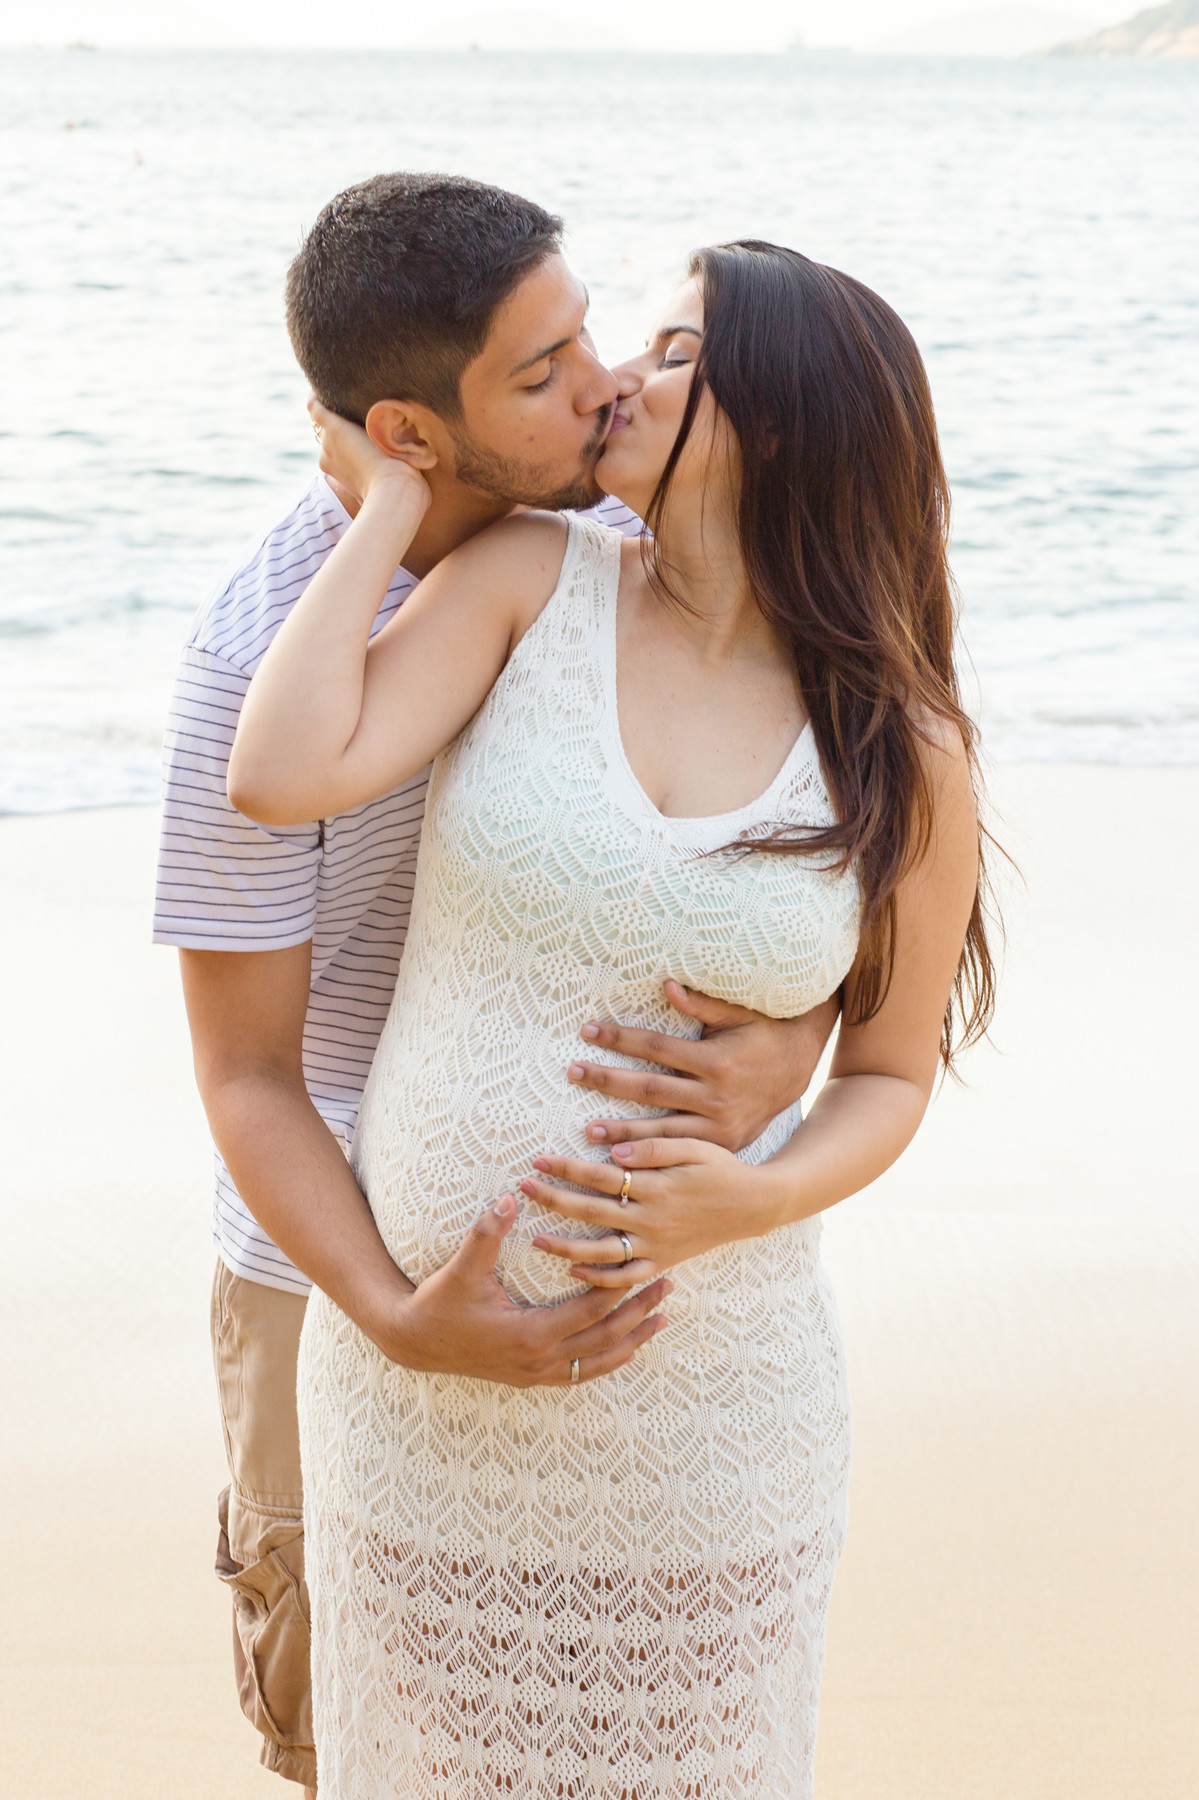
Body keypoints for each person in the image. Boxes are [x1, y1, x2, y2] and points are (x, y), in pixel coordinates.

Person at [228, 237, 996, 1798]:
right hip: (419, 1421)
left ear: (776, 415)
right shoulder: (529, 579)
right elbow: (284, 768)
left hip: (709, 1420)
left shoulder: (900, 746)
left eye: (672, 350)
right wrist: (390, 488)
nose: (618, 384)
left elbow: (894, 1071)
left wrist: (757, 1192)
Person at [153, 174, 837, 1795]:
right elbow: (248, 1075)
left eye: (589, 331)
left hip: (635, 1324)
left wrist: (790, 1043)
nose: (603, 380)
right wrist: (394, 1316)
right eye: (542, 373)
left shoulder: (622, 545)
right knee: (363, 1742)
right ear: (407, 431)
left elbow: (826, 843)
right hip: (329, 1278)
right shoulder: (255, 653)